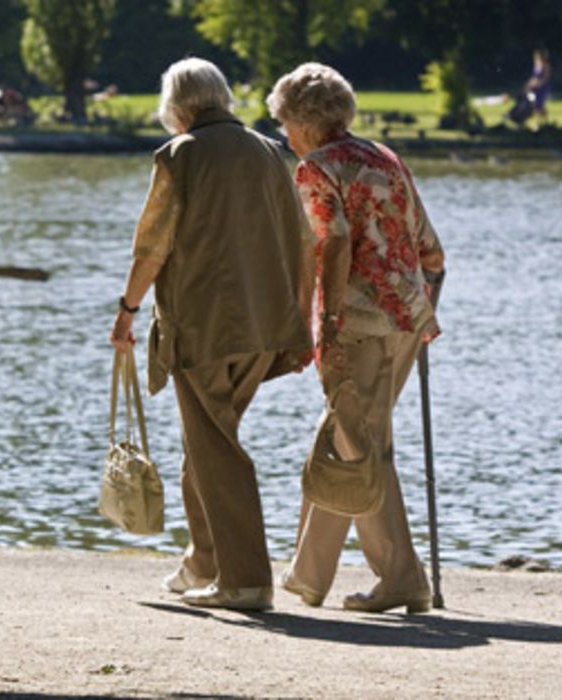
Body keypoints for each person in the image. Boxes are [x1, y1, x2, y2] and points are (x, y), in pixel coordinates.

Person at [109, 58, 316, 611]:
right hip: (265, 327)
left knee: (217, 451)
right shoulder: (271, 152)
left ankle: (245, 581)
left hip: (203, 327)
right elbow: (303, 242)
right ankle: (204, 560)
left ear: (177, 107)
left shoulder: (181, 155)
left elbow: (152, 246)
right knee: (205, 443)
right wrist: (300, 324)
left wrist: (128, 309)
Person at [267, 62, 447, 614]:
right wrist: (421, 314)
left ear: (305, 123)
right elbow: (430, 250)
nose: (284, 137)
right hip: (406, 318)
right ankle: (309, 576)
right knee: (354, 441)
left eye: (285, 124)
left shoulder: (318, 169)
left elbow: (335, 247)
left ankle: (402, 578)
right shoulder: (384, 158)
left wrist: (325, 329)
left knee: (357, 446)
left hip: (360, 325)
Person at [524, 49, 552, 123]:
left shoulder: (546, 65)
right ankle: (541, 121)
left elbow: (545, 77)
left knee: (540, 105)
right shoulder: (536, 64)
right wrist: (529, 85)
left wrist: (539, 83)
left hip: (542, 87)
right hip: (535, 88)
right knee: (535, 105)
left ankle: (544, 121)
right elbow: (534, 76)